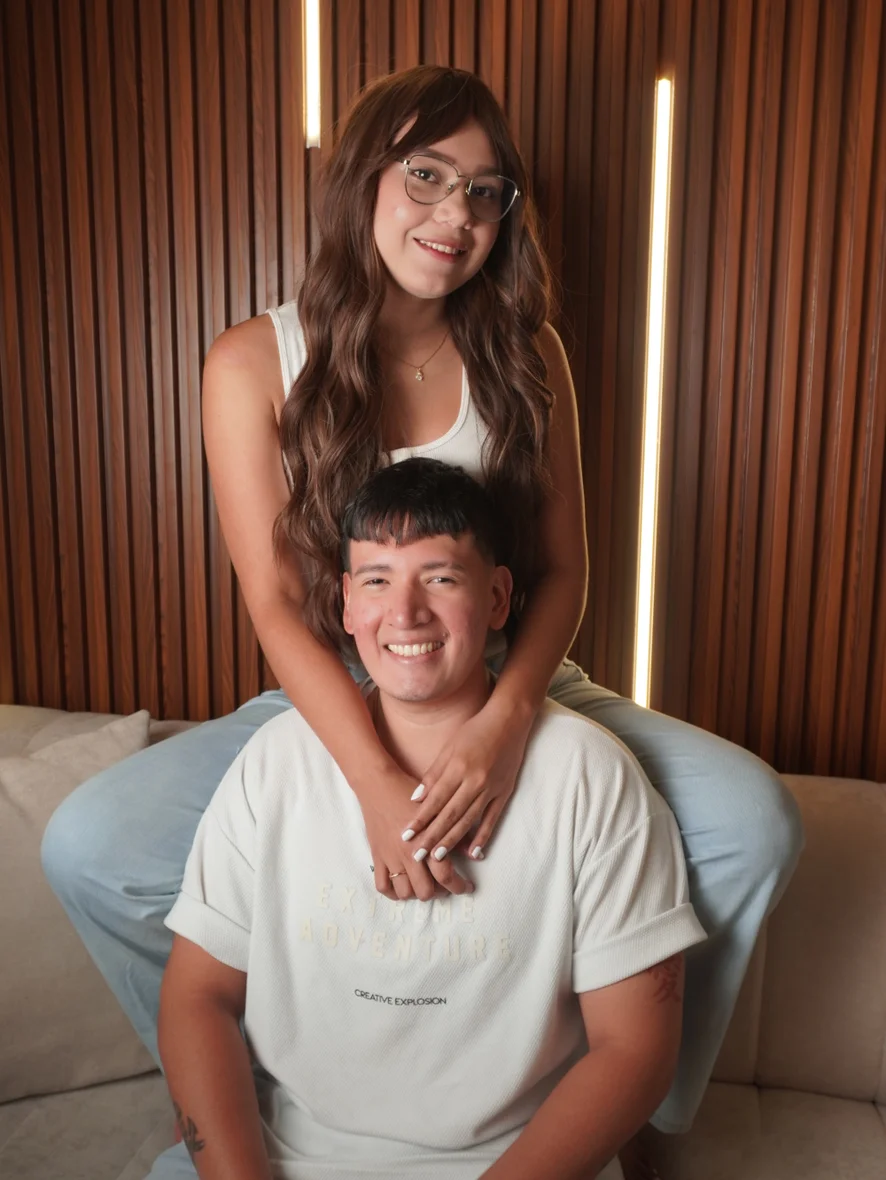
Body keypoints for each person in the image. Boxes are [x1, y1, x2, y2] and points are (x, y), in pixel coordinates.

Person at [41, 64, 802, 1137]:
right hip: (336, 687)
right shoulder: (252, 362)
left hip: (512, 676)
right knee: (87, 845)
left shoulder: (529, 355)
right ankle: (231, 1092)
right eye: (426, 175)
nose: (456, 215)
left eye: (485, 191)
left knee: (756, 822)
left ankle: (632, 1114)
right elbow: (274, 601)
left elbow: (565, 571)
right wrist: (371, 779)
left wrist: (505, 723)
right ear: (361, 178)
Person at [151, 458, 707, 1180]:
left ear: (498, 597)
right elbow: (197, 997)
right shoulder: (275, 764)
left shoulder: (591, 777)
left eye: (440, 578)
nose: (406, 612)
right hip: (287, 1156)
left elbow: (635, 1052)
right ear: (346, 604)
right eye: (377, 581)